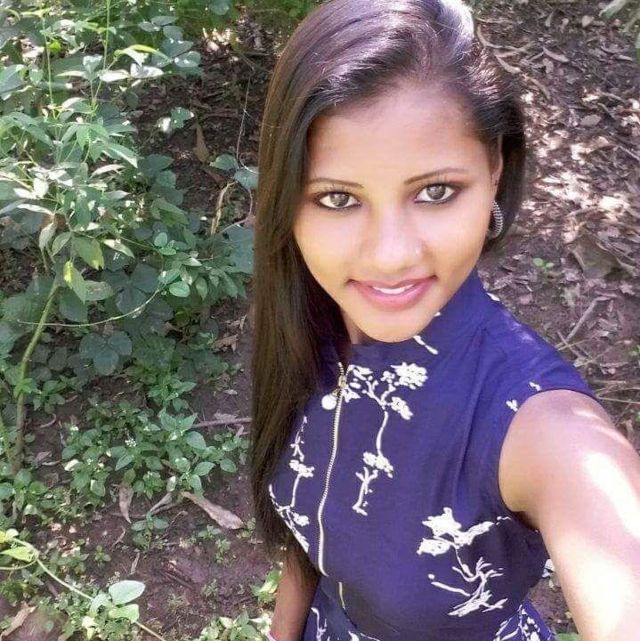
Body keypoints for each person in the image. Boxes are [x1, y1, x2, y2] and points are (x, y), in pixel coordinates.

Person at [249, 1, 640, 640]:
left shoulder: (540, 427)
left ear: (496, 173)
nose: (389, 256)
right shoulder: (312, 322)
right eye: (337, 198)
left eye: (435, 192)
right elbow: (310, 542)